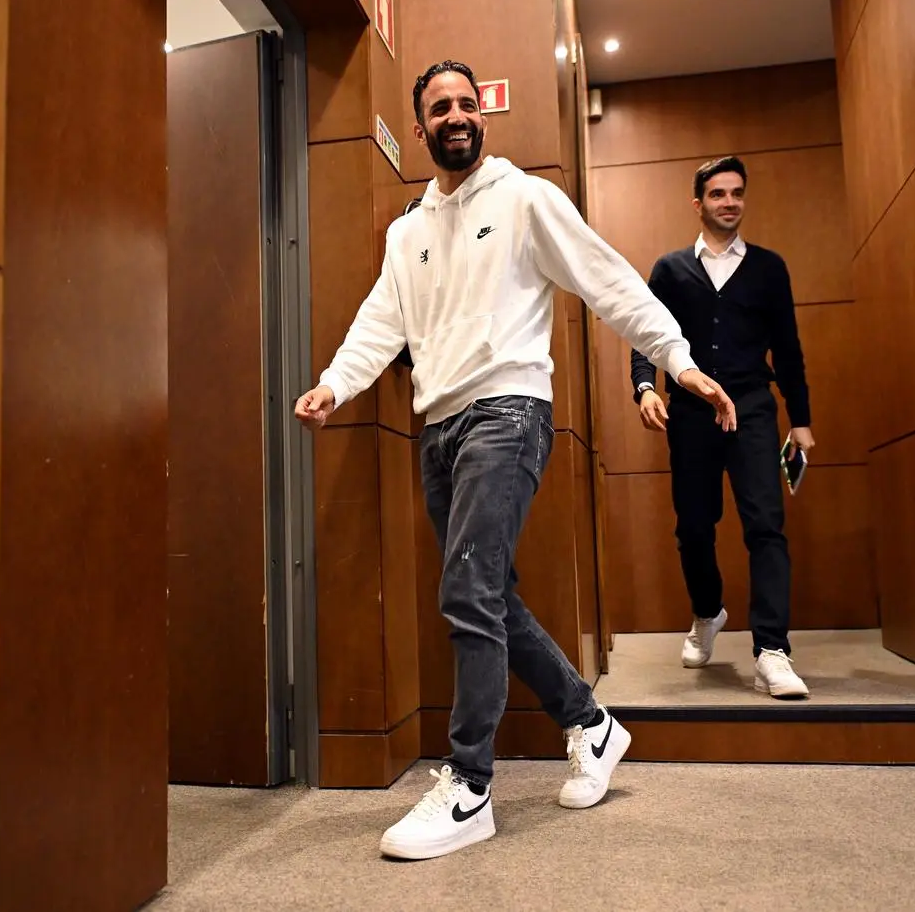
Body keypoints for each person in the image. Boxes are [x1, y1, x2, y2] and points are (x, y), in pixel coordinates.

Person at [294, 60, 737, 861]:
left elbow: (608, 280)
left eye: (467, 102)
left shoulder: (526, 198)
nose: (456, 115)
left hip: (510, 411)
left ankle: (469, 785)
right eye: (440, 106)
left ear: (481, 117)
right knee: (487, 590)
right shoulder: (407, 232)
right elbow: (379, 321)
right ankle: (592, 724)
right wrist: (335, 384)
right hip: (439, 428)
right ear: (420, 125)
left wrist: (676, 358)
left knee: (467, 586)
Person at [629, 156, 815, 699]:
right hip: (690, 414)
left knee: (765, 526)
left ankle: (772, 651)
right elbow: (645, 333)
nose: (728, 202)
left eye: (736, 193)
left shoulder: (768, 268)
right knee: (693, 527)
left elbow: (789, 348)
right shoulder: (669, 269)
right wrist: (645, 387)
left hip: (754, 407)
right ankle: (708, 612)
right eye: (717, 194)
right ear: (698, 203)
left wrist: (799, 420)